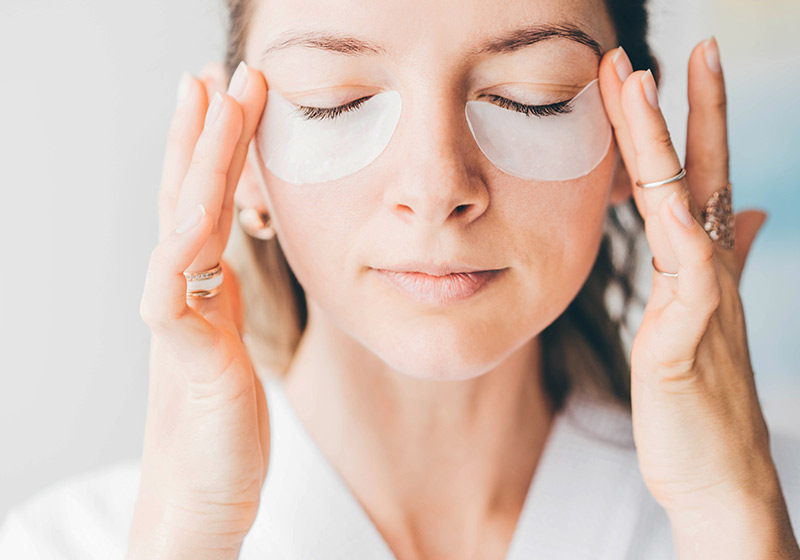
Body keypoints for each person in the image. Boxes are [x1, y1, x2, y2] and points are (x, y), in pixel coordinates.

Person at [1, 0, 799, 558]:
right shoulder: (63, 545)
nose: (437, 185)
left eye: (532, 99)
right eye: (336, 103)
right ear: (237, 155)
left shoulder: (769, 513)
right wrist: (189, 535)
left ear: (633, 134)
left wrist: (731, 518)